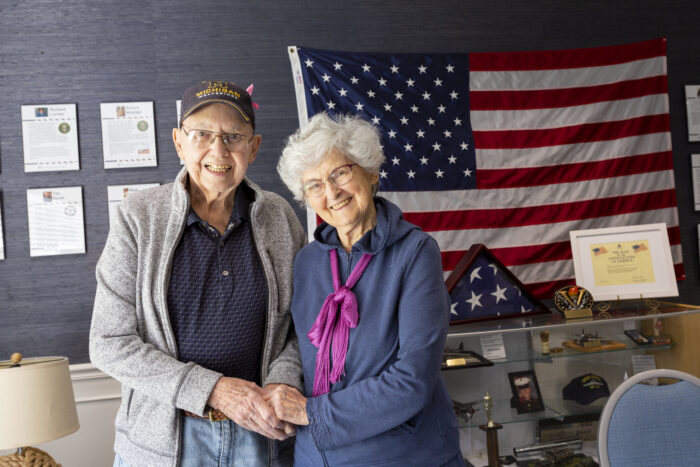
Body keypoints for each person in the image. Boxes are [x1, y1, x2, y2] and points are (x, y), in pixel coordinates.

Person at [89, 80, 306, 467]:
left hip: (261, 437)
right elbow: (109, 341)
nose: (218, 150)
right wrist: (214, 390)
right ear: (179, 142)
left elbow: (300, 327)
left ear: (253, 147)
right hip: (165, 442)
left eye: (233, 136)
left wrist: (282, 383)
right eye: (202, 134)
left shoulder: (280, 217)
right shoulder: (138, 217)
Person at [268, 112, 463, 466]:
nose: (331, 193)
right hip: (316, 455)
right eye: (314, 185)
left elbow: (413, 378)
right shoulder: (307, 261)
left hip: (402, 454)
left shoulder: (416, 252)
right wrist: (279, 390)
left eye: (340, 173)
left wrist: (314, 414)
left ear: (370, 172)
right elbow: (299, 347)